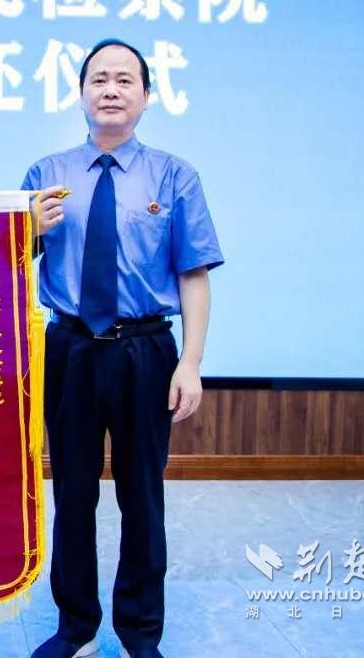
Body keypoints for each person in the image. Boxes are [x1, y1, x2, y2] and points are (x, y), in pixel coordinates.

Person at [23, 39, 224, 658]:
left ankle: (140, 632)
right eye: (99, 79)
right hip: (70, 349)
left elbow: (193, 273)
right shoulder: (45, 175)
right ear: (81, 93)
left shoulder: (174, 175)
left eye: (124, 79)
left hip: (146, 351)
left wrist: (191, 362)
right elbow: (2, 263)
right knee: (72, 494)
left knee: (142, 495)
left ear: (146, 95)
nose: (111, 89)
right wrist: (26, 232)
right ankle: (76, 626)